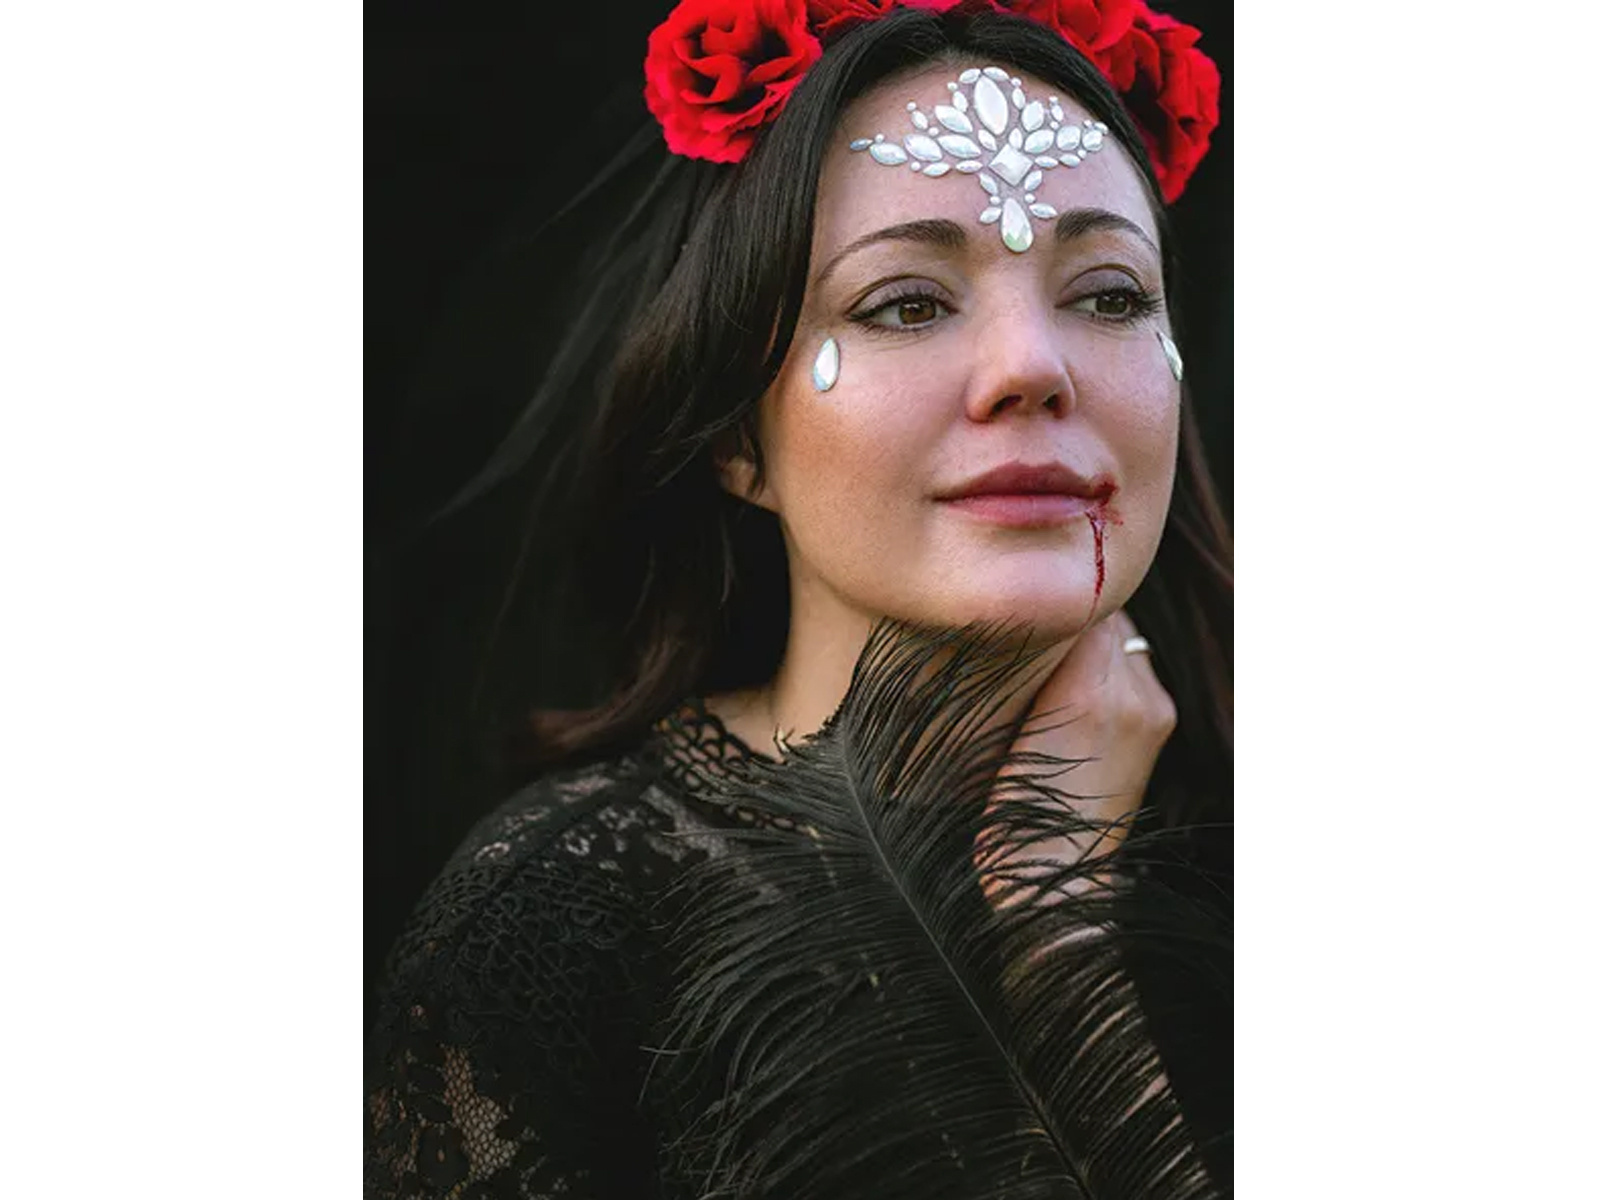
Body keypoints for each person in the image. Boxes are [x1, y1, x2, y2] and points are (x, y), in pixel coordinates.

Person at [366, 2, 1232, 1196]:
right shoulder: (557, 925)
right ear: (737, 438)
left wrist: (1058, 935)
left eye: (1109, 295)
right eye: (906, 303)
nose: (1033, 366)